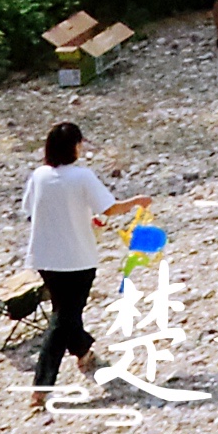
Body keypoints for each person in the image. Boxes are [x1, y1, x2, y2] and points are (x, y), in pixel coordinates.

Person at [23, 123, 148, 412]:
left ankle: (84, 353)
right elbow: (110, 209)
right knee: (62, 319)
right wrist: (137, 201)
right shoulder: (82, 176)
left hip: (44, 258)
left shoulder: (39, 175)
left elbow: (31, 211)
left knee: (65, 313)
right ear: (74, 147)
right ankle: (40, 389)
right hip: (77, 259)